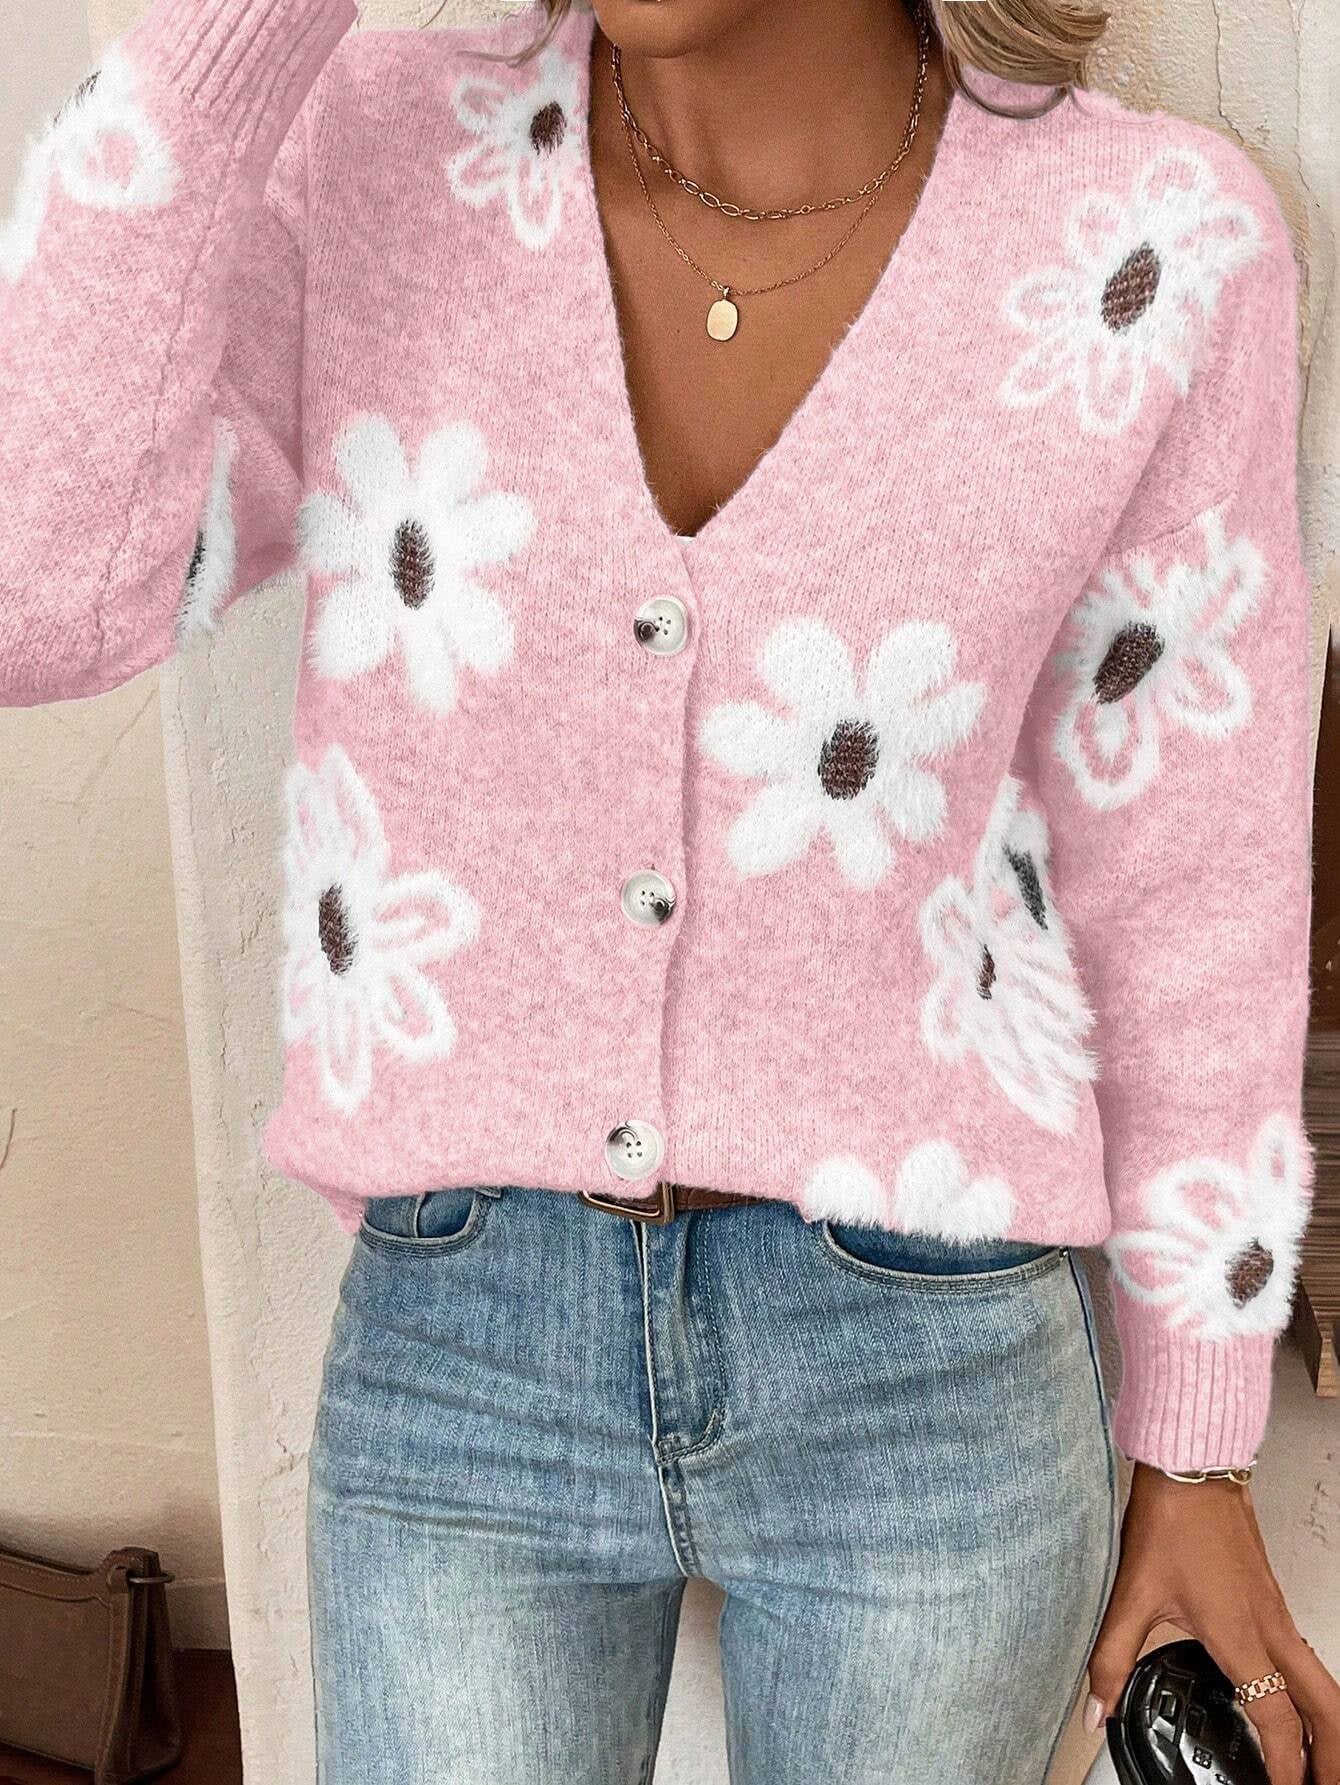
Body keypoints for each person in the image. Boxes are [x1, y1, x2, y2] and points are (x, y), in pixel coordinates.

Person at [2, 0, 1337, 1778]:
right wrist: (230, 36)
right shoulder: (381, 150)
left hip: (934, 1379)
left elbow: (1189, 889)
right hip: (463, 1347)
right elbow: (37, 592)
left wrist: (1199, 1445)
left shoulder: (1155, 243)